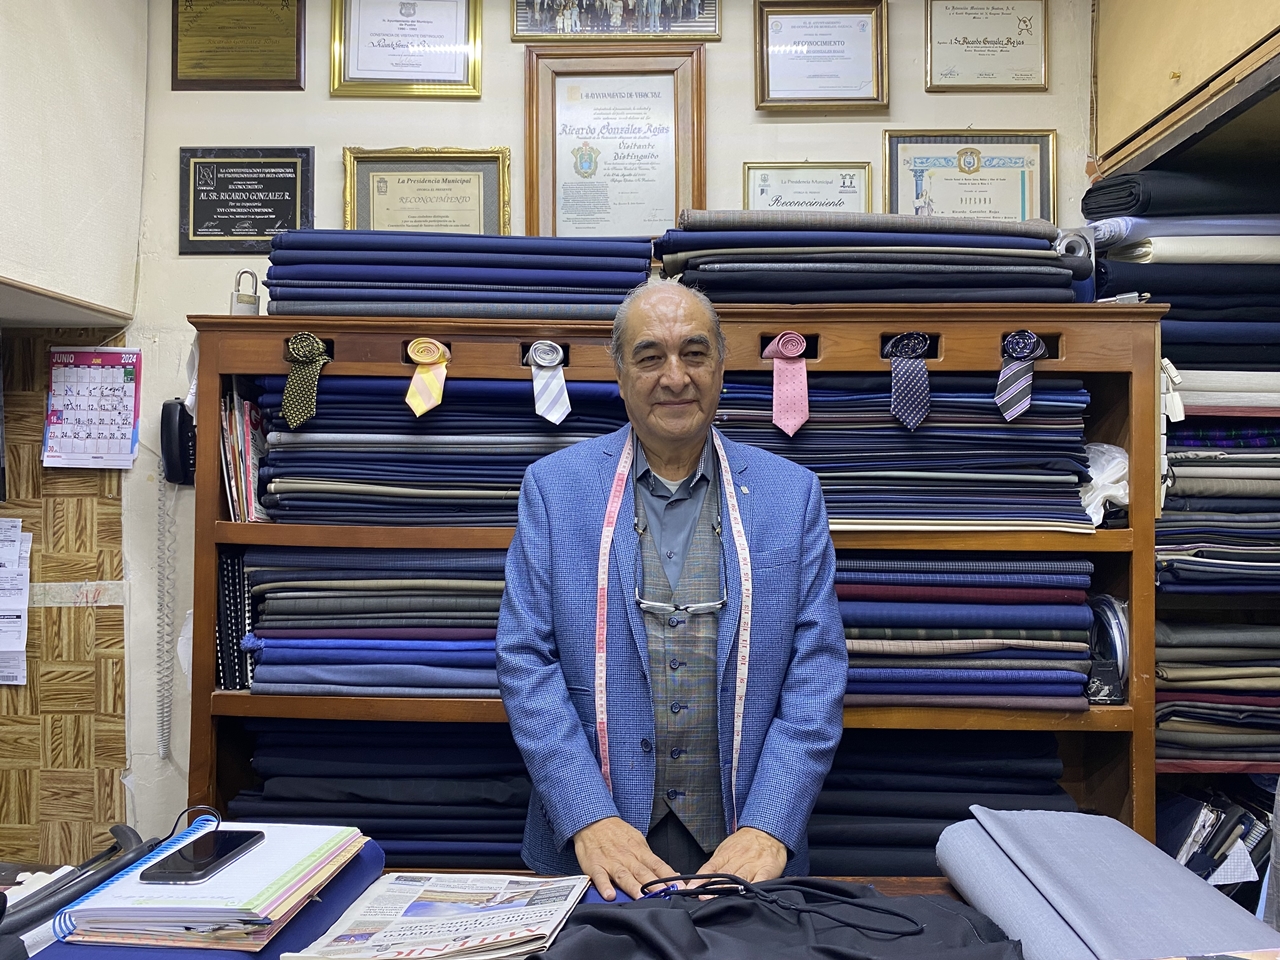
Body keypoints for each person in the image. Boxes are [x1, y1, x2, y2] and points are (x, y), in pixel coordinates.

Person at [496, 279, 846, 900]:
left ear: (722, 366)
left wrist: (770, 825)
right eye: (650, 356)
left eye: (694, 353)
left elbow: (816, 672)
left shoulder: (790, 496)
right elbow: (525, 661)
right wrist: (587, 817)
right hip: (593, 852)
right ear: (619, 372)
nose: (675, 377)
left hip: (745, 848)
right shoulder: (554, 490)